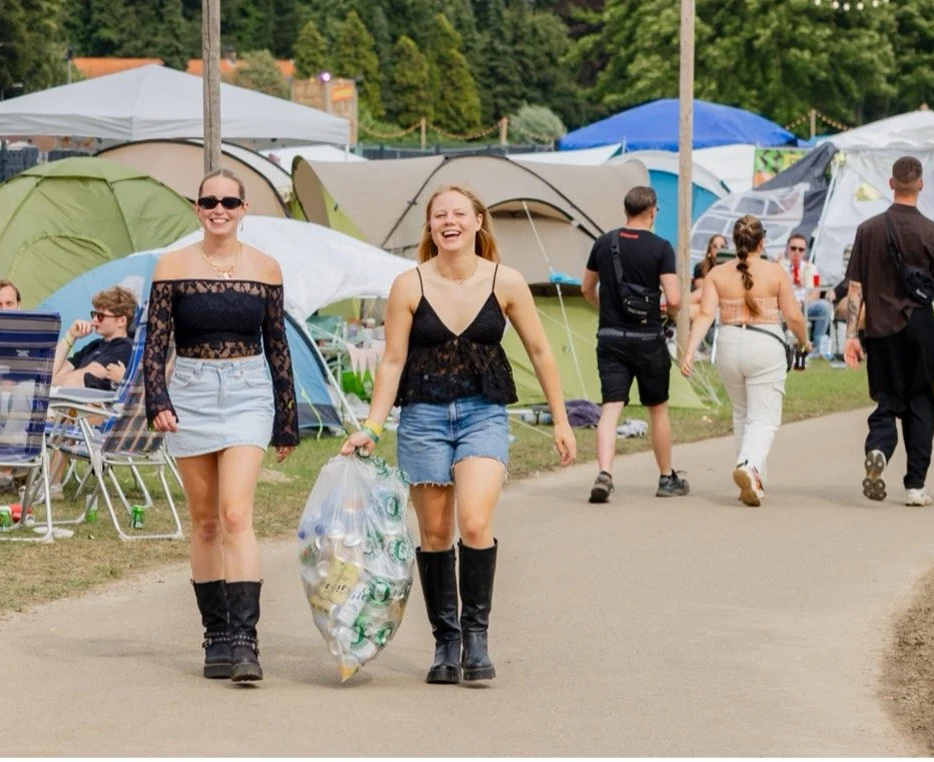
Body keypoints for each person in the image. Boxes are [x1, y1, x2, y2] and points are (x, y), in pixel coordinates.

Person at [341, 185, 575, 686]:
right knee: (434, 535)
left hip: (482, 415)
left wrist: (560, 418)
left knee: (473, 522)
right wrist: (372, 426)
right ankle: (445, 642)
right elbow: (392, 361)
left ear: (477, 222)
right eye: (439, 215)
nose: (449, 222)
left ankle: (476, 636)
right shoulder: (408, 285)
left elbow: (541, 351)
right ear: (430, 227)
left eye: (459, 214)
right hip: (422, 418)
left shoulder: (505, 281)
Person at [144, 169, 299, 684]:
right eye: (209, 200)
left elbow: (278, 343)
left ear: (244, 208)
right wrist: (157, 399)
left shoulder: (267, 268)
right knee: (206, 520)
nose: (219, 209)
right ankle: (214, 635)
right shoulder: (172, 265)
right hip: (188, 389)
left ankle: (245, 641)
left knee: (236, 515)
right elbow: (155, 341)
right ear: (197, 207)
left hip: (248, 391)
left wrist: (287, 418)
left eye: (229, 201)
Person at [843, 157, 934, 507]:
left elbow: (855, 289)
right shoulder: (933, 233)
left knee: (887, 398)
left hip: (880, 328)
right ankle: (915, 486)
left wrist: (850, 335)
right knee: (920, 400)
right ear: (920, 185)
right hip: (921, 325)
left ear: (891, 184)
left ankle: (878, 448)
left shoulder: (868, 229)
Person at [680, 216, 810, 505]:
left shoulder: (717, 274)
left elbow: (704, 314)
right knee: (764, 417)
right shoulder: (775, 272)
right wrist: (804, 342)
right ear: (761, 242)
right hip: (764, 344)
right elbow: (793, 316)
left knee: (742, 413)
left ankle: (754, 481)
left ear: (735, 241)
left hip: (728, 344)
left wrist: (689, 351)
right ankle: (749, 466)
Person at [580, 185, 688, 503]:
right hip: (648, 339)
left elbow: (586, 288)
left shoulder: (604, 242)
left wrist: (607, 310)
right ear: (652, 210)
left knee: (611, 408)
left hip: (610, 337)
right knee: (657, 409)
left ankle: (605, 473)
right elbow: (676, 298)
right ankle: (667, 478)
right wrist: (670, 314)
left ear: (626, 209)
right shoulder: (660, 247)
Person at [53, 286, 135, 389]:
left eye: (100, 316)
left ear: (121, 321)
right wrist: (70, 336)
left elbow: (78, 379)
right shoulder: (94, 345)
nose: (94, 320)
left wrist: (54, 381)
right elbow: (48, 375)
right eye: (94, 314)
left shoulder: (125, 348)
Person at [783, 233, 832, 367]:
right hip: (785, 306)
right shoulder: (779, 267)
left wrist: (803, 303)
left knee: (824, 306)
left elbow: (815, 292)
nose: (797, 252)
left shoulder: (812, 269)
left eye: (801, 249)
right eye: (793, 248)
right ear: (787, 248)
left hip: (806, 304)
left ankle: (816, 347)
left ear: (805, 251)